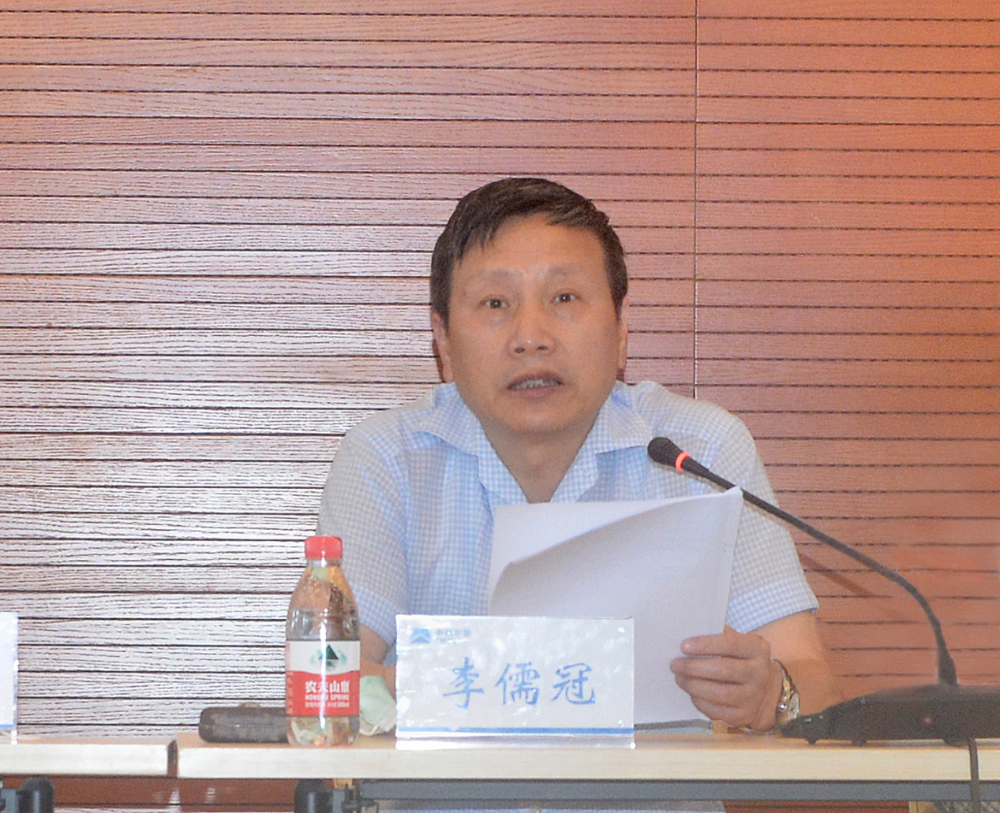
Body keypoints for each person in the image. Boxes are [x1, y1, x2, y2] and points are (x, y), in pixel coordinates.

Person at [317, 176, 843, 736]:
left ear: (621, 327)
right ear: (442, 339)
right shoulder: (387, 461)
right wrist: (526, 686)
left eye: (564, 298)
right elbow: (329, 679)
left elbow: (815, 682)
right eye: (495, 303)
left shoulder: (702, 451)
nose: (531, 336)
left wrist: (772, 696)